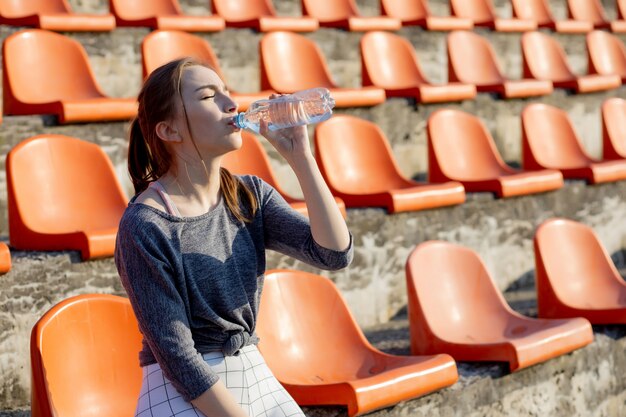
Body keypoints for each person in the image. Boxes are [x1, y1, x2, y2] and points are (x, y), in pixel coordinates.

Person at [114, 56, 353, 417]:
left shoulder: (248, 195)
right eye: (209, 96)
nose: (232, 104)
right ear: (169, 131)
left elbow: (333, 254)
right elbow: (177, 356)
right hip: (184, 391)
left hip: (251, 368)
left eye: (227, 91)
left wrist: (301, 157)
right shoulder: (145, 225)